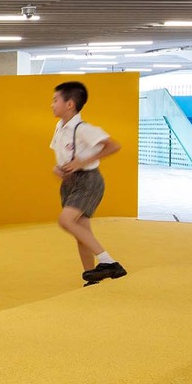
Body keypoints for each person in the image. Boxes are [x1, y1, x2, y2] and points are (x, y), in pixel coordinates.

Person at [49, 81, 127, 284]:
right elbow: (63, 155)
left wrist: (81, 162)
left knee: (66, 221)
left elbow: (114, 145)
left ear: (70, 104)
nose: (51, 104)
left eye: (55, 100)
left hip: (88, 181)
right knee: (82, 232)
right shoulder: (59, 128)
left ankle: (109, 262)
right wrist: (60, 168)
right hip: (71, 183)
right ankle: (92, 278)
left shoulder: (83, 128)